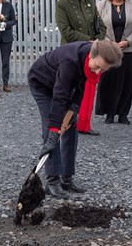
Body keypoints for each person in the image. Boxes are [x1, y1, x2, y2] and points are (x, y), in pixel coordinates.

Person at [28, 40, 122, 199]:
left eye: (103, 69)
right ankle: (53, 181)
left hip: (63, 84)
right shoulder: (70, 61)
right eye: (97, 66)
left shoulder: (92, 62)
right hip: (42, 83)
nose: (98, 72)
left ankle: (67, 177)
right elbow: (59, 95)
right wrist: (53, 132)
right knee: (51, 126)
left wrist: (72, 110)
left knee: (71, 124)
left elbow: (80, 88)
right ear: (91, 56)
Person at [56, 0, 107, 136]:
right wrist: (89, 40)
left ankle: (84, 125)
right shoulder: (62, 4)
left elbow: (101, 25)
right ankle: (65, 125)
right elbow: (66, 31)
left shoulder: (90, 3)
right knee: (69, 89)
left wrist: (98, 40)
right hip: (71, 52)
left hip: (90, 51)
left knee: (88, 89)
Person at [96, 0, 132, 125]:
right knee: (108, 81)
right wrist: (109, 43)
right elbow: (97, 27)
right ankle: (109, 113)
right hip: (108, 50)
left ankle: (123, 114)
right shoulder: (102, 5)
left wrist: (128, 41)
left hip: (127, 50)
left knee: (126, 82)